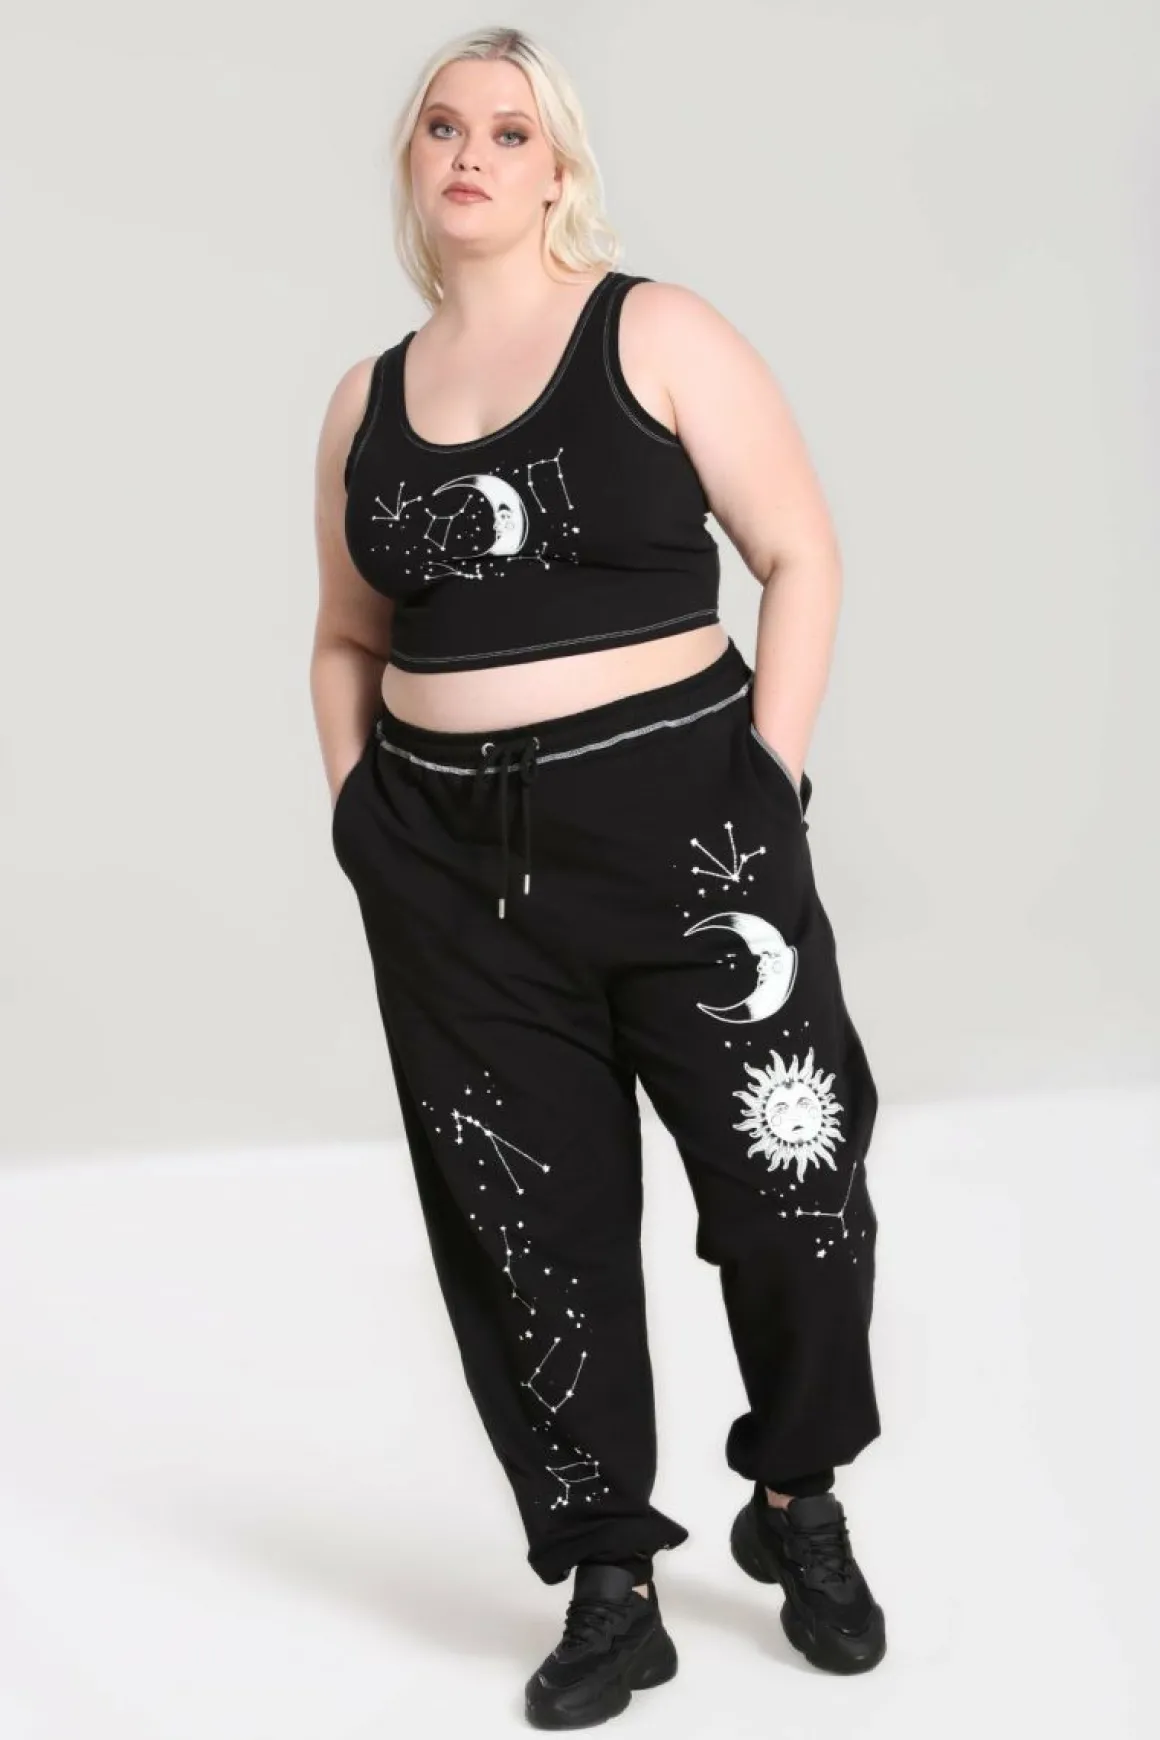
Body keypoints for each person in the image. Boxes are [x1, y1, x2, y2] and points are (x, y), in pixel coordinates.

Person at [311, 24, 886, 1730]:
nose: (471, 154)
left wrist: (769, 777)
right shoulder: (363, 405)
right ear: (412, 164)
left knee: (794, 1187)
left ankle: (795, 1495)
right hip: (449, 867)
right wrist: (361, 823)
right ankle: (610, 1581)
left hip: (686, 832)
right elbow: (345, 637)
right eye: (443, 127)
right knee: (527, 1233)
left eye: (510, 131)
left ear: (558, 167)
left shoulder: (656, 331)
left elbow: (799, 553)